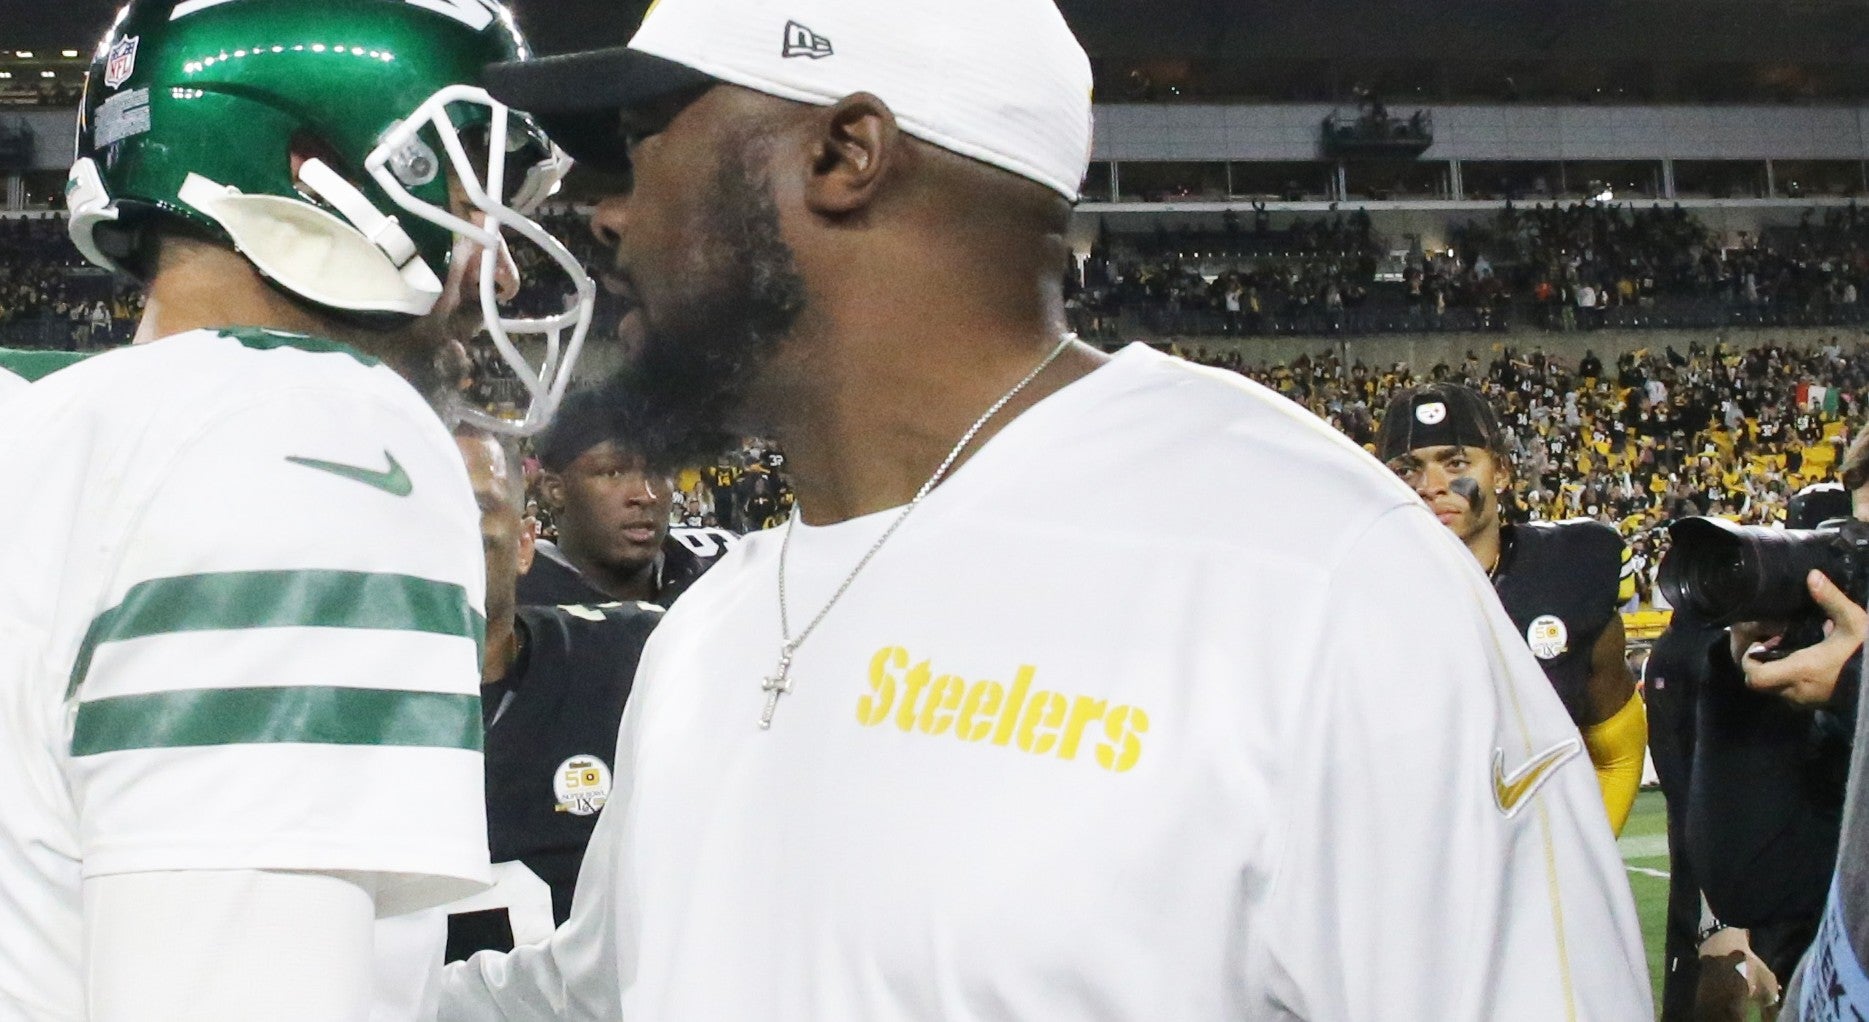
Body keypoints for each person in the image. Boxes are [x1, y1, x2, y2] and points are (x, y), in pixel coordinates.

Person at [440, 0, 1649, 1017]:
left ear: (843, 153)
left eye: (647, 135)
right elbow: (606, 989)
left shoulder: (1313, 577)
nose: (606, 209)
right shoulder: (714, 624)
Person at [0, 0, 593, 1016]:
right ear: (320, 162)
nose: (495, 263)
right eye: (464, 193)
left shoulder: (50, 429)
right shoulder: (303, 431)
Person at [1377, 382, 1648, 836]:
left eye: (1456, 462)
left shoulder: (1567, 574)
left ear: (1500, 472)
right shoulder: (1353, 598)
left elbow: (1617, 753)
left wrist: (1578, 861)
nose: (1431, 487)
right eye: (1407, 470)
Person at [444, 428, 663, 962]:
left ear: (524, 544)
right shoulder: (303, 704)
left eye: (471, 508)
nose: (439, 528)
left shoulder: (632, 658)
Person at [518, 387, 737, 610]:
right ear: (555, 490)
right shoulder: (513, 601)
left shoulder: (725, 571)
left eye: (658, 470)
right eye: (613, 473)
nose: (646, 496)